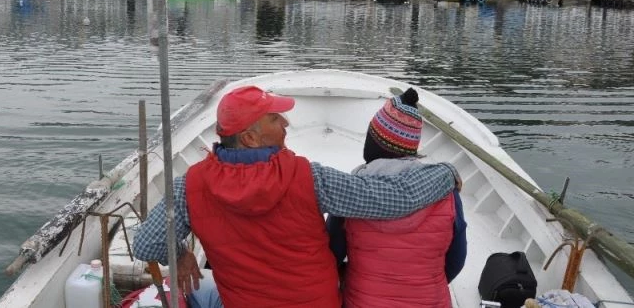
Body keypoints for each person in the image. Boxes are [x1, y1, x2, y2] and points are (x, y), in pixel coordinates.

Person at [132, 85, 460, 308]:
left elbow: (146, 244)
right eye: (275, 119)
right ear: (249, 138)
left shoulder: (190, 186)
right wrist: (446, 173)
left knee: (193, 291)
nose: (287, 123)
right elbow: (392, 200)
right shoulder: (309, 177)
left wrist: (179, 254)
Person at [327, 87, 467, 307]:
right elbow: (456, 260)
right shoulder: (446, 189)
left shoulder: (351, 191)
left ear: (375, 142)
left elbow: (332, 253)